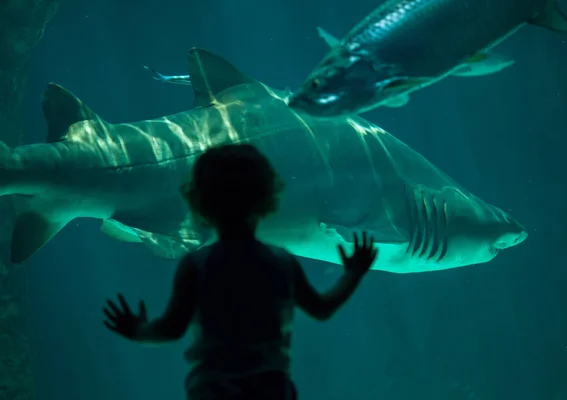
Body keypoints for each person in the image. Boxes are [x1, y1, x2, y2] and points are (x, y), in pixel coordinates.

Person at [102, 143, 378, 400]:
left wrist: (138, 330)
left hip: (212, 389)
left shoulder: (197, 265)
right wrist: (352, 274)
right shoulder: (281, 262)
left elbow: (171, 329)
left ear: (197, 202)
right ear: (269, 198)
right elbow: (322, 309)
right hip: (271, 389)